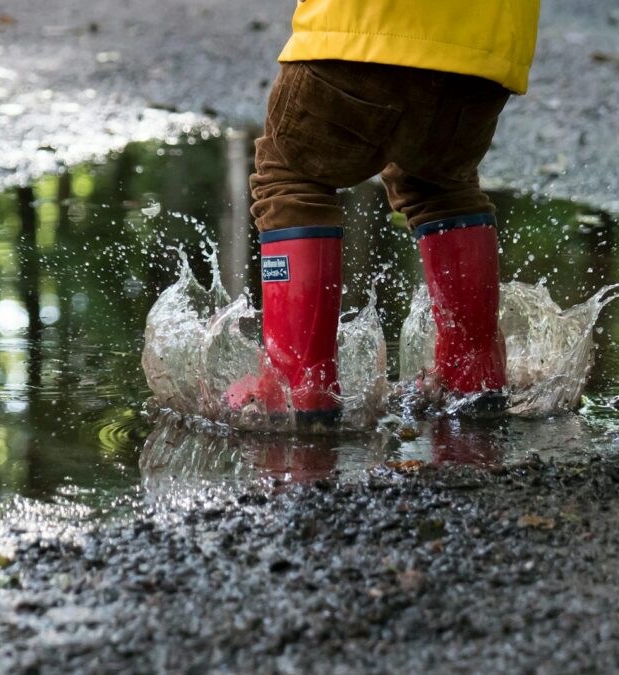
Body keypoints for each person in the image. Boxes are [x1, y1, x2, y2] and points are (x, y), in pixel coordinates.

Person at [228, 1, 541, 425]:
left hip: (365, 28)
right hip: (484, 54)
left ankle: (296, 388)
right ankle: (472, 377)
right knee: (441, 185)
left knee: (291, 177)